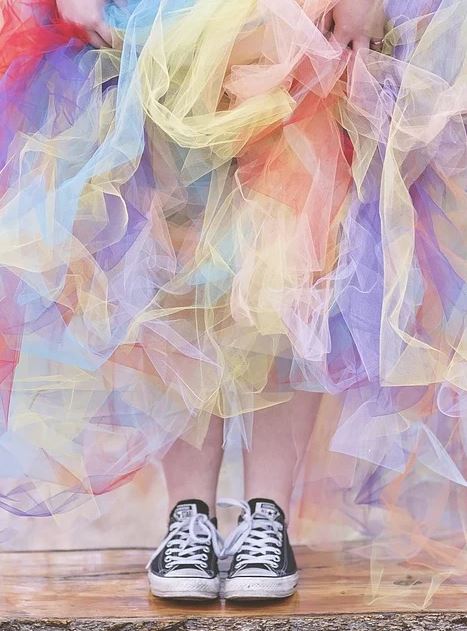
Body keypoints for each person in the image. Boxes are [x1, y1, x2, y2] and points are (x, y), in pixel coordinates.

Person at [1, 0, 465, 606]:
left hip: (301, 17)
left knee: (291, 266)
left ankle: (266, 516)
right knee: (178, 262)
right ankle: (189, 516)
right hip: (160, 18)